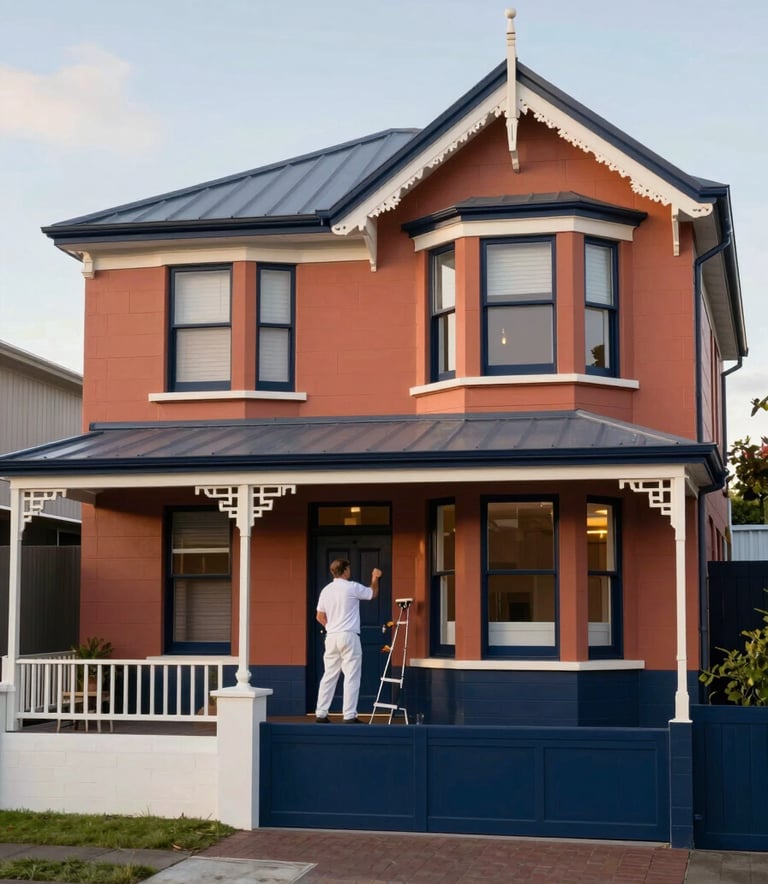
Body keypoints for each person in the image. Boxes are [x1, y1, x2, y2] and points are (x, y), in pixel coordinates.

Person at [314, 558, 381, 723]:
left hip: (331, 636)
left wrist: (331, 626)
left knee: (329, 675)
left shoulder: (326, 590)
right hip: (349, 636)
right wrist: (375, 578)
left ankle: (321, 713)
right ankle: (349, 715)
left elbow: (319, 616)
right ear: (345, 571)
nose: (350, 572)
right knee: (351, 675)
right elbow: (372, 594)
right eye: (349, 569)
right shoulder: (351, 587)